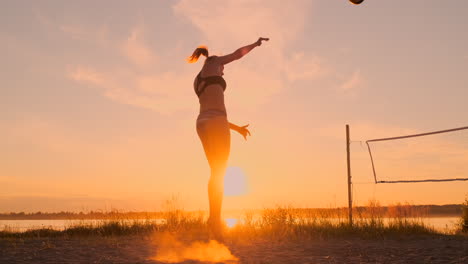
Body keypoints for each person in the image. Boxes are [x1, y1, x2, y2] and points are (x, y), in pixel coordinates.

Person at [187, 37, 269, 239]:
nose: (223, 71)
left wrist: (236, 128)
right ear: (216, 62)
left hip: (202, 123)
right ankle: (215, 219)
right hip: (216, 121)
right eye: (222, 69)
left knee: (215, 172)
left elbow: (211, 110)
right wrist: (255, 44)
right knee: (220, 172)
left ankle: (213, 217)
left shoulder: (197, 80)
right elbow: (236, 54)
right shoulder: (214, 62)